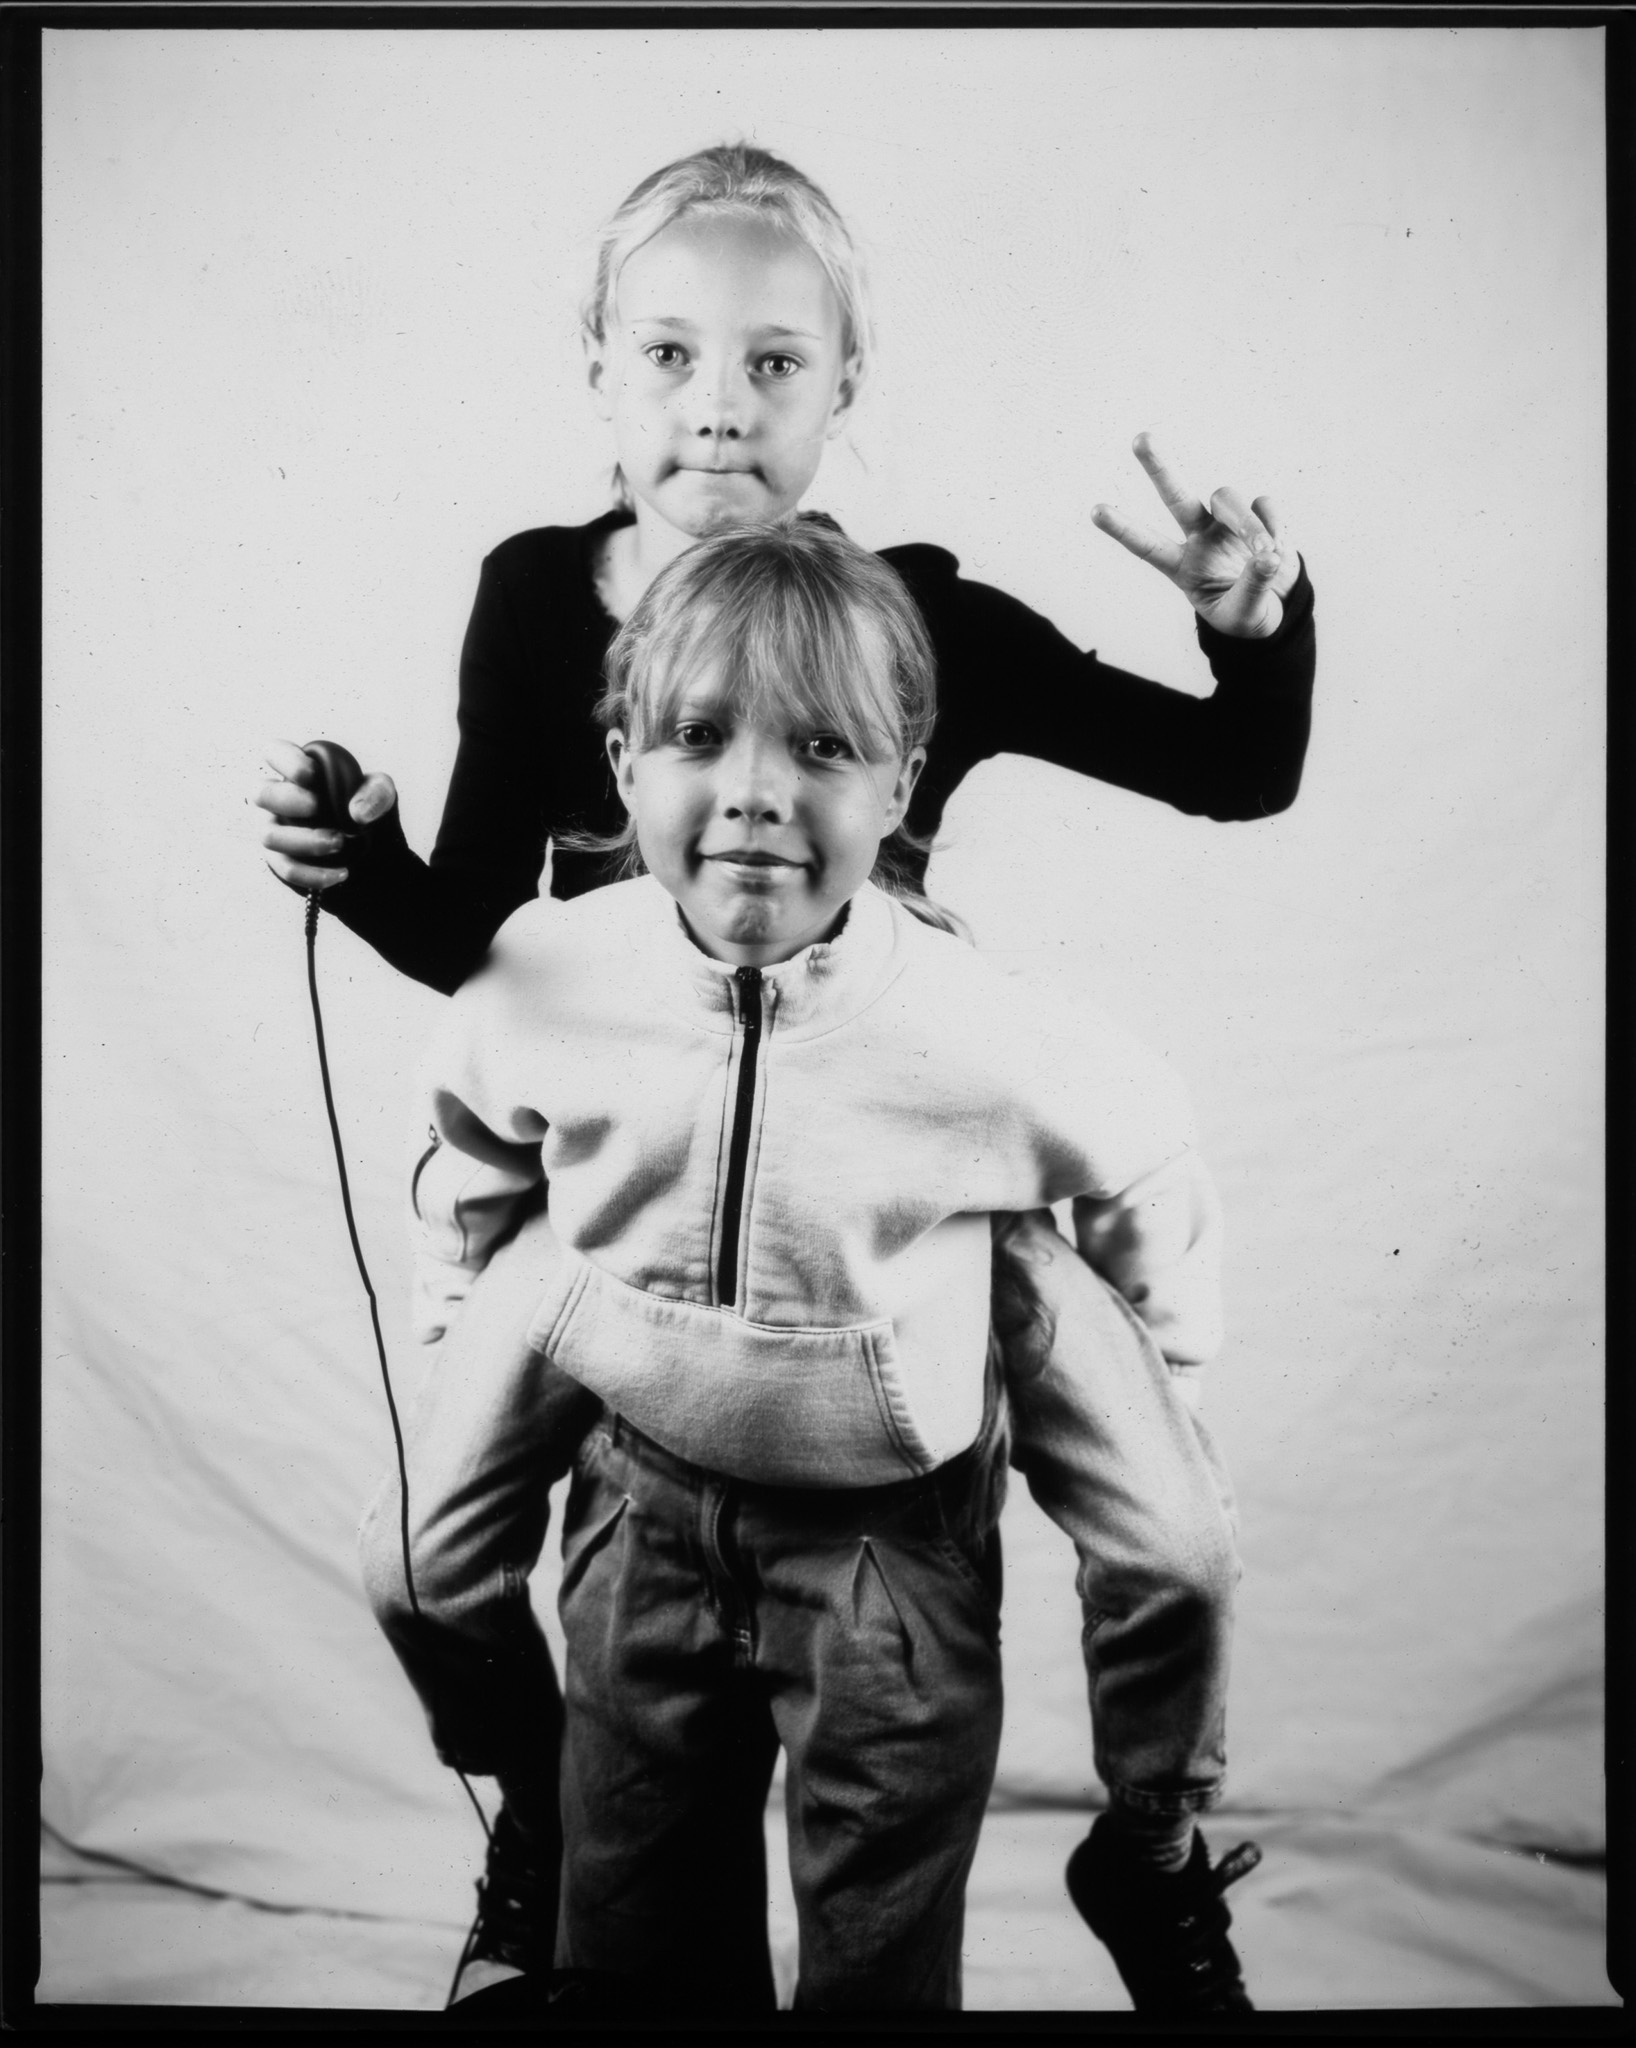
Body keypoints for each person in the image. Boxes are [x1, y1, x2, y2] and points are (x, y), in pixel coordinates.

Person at [265, 143, 1313, 2013]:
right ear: (595, 368)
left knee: (1174, 1542)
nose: (716, 409)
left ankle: (1150, 1850)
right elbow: (484, 948)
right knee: (423, 1554)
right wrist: (371, 863)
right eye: (667, 357)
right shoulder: (537, 601)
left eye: (771, 364)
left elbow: (1233, 779)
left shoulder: (921, 618)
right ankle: (541, 1798)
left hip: (894, 1171)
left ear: (844, 386)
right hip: (636, 1181)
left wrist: (1252, 633)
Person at [373, 518, 1246, 2013]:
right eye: (700, 737)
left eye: (825, 747)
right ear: (622, 760)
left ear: (903, 781)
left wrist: (1156, 1353)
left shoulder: (970, 1023)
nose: (756, 798)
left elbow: (1143, 1146)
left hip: (880, 1556)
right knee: (630, 1944)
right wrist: (473, 1314)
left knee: (884, 1953)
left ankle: (1154, 1841)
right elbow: (473, 1135)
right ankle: (541, 1805)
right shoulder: (547, 971)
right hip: (641, 1518)